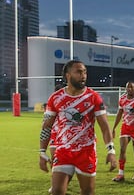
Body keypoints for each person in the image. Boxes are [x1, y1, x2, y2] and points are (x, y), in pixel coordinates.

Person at [39, 60, 117, 195]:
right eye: (79, 72)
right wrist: (42, 152)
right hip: (63, 151)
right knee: (57, 191)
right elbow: (47, 126)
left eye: (85, 72)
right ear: (68, 75)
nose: (83, 76)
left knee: (87, 191)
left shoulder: (93, 97)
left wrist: (111, 150)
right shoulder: (55, 98)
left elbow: (104, 126)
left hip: (86, 152)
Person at [111, 81, 134, 182]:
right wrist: (114, 127)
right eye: (127, 87)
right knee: (122, 149)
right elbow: (119, 113)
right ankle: (121, 174)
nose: (129, 89)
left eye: (131, 87)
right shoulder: (122, 99)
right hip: (125, 127)